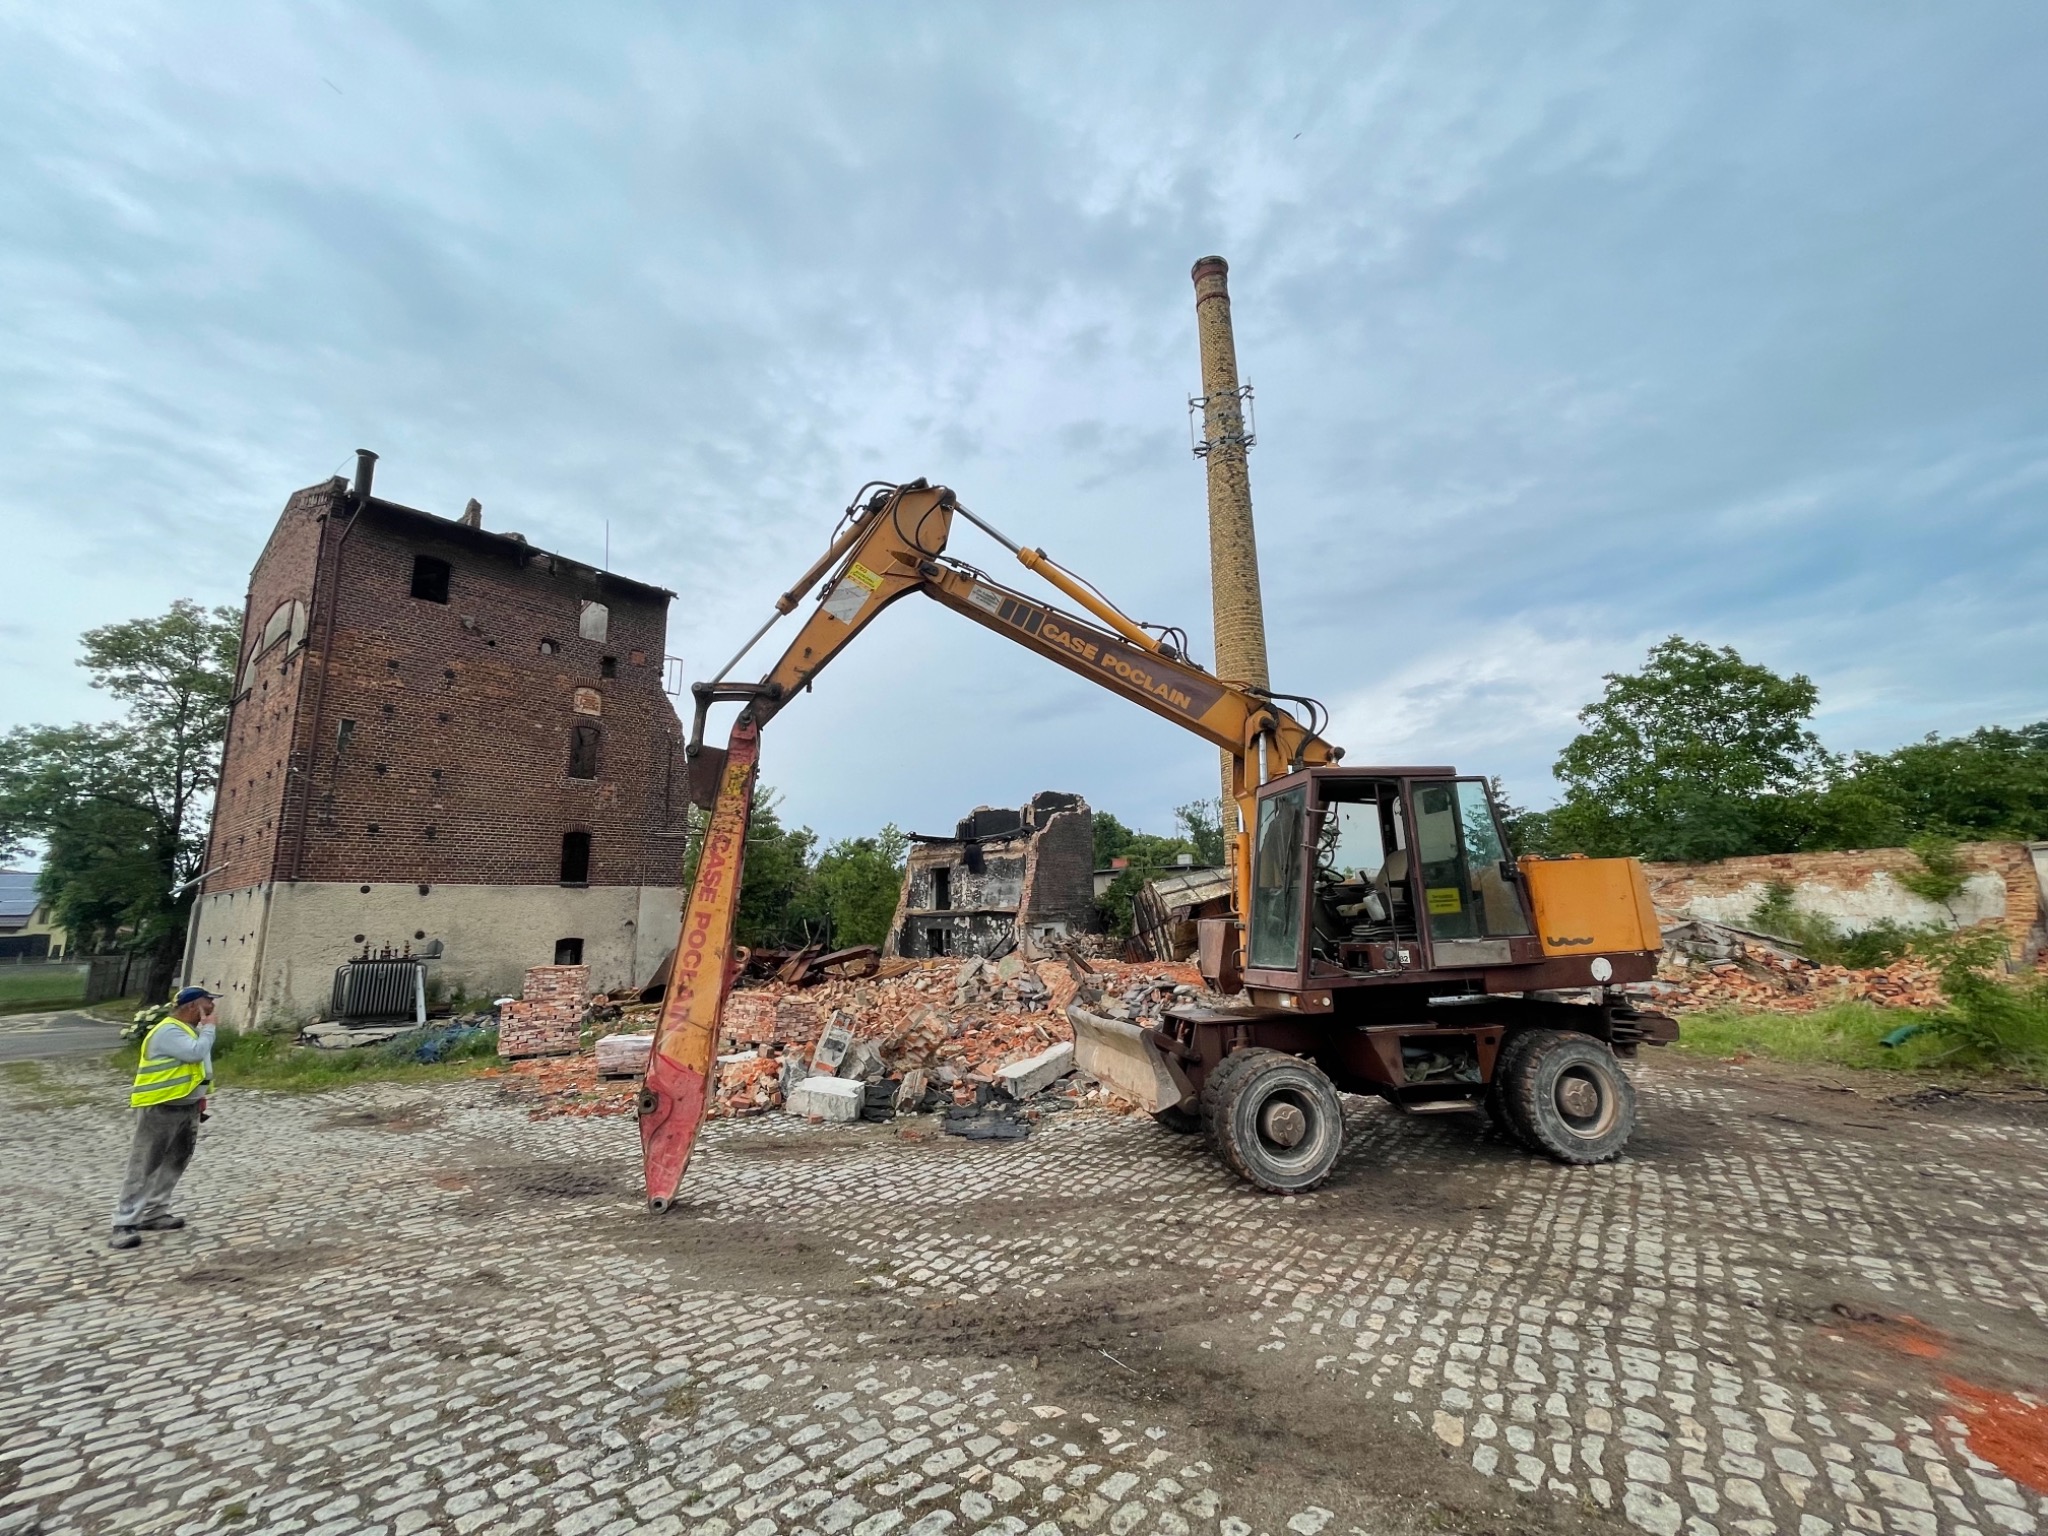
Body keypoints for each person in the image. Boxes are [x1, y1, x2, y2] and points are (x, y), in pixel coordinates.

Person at [109, 986, 218, 1251]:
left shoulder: (189, 1031)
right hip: (160, 1106)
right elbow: (194, 1053)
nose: (213, 1010)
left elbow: (198, 1067)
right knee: (145, 1164)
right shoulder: (169, 1030)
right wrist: (210, 1027)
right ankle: (124, 1223)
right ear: (193, 1007)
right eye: (209, 1005)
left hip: (186, 1105)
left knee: (175, 1162)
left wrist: (200, 1099)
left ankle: (155, 1213)